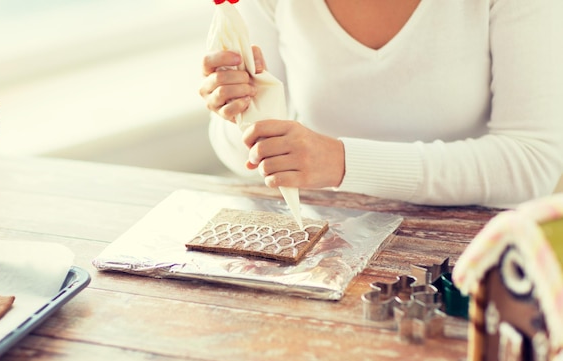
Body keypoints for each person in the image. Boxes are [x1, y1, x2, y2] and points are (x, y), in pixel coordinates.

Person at [199, 0, 563, 207]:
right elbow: (239, 155)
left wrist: (343, 163)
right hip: (329, 239)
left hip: (474, 255)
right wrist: (239, 114)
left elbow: (533, 164)